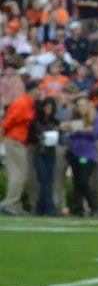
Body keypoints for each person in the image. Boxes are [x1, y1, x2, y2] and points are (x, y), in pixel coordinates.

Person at [1, 80, 41, 215]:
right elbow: (7, 122)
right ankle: (10, 203)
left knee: (19, 173)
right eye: (38, 89)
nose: (39, 92)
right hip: (15, 140)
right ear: (33, 90)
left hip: (19, 140)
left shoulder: (28, 103)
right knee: (18, 173)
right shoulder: (22, 103)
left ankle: (14, 203)